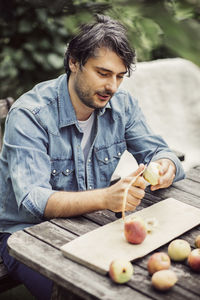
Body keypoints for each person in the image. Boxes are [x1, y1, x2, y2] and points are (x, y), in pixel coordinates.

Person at [0, 14, 185, 299]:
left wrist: (163, 167)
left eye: (120, 76)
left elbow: (161, 152)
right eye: (103, 73)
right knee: (81, 292)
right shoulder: (30, 115)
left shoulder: (122, 106)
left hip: (88, 222)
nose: (112, 86)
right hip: (24, 233)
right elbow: (34, 199)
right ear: (74, 61)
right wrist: (106, 198)